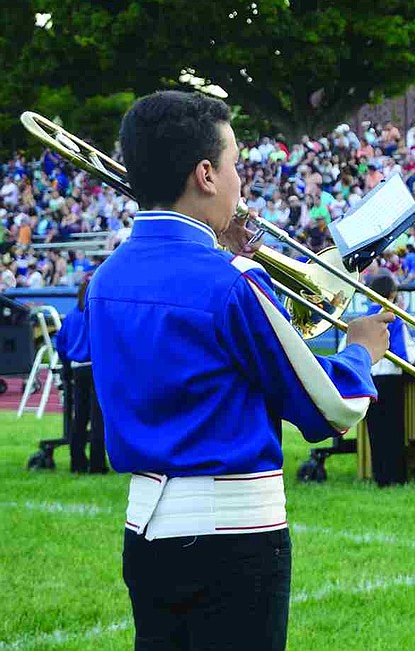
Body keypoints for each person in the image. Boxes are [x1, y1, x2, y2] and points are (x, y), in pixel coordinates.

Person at [87, 91, 393, 651]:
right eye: (234, 166)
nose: (240, 184)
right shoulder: (233, 281)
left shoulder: (105, 280)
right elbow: (326, 407)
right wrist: (360, 352)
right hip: (235, 537)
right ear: (205, 173)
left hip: (145, 533)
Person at [363, 272, 415, 487]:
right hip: (390, 378)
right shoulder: (393, 318)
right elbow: (402, 354)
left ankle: (380, 476)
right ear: (391, 294)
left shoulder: (362, 319)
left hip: (369, 379)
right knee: (394, 429)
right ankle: (397, 476)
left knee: (376, 430)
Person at [54, 276, 106, 474]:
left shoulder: (71, 316)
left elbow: (61, 343)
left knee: (79, 417)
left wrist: (66, 364)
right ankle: (97, 464)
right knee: (98, 418)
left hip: (76, 368)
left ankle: (76, 462)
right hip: (95, 367)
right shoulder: (96, 316)